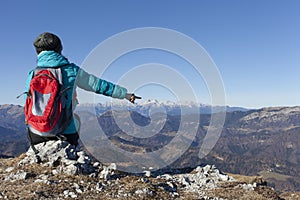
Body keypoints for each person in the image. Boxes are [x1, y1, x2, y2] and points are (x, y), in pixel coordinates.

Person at [25, 32, 141, 147]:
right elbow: (98, 85)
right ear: (59, 49)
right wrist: (125, 94)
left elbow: (28, 104)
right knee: (77, 120)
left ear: (38, 52)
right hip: (65, 131)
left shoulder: (33, 75)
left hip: (36, 133)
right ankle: (72, 148)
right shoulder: (71, 70)